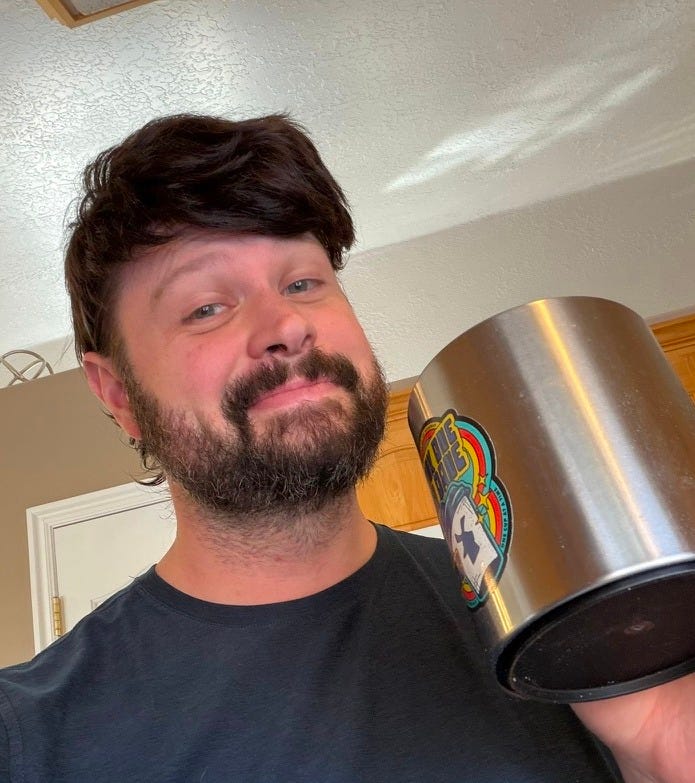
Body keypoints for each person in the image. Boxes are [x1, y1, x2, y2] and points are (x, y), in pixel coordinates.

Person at [0, 114, 691, 782]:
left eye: (302, 283)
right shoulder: (27, 736)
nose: (286, 324)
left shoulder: (564, 635)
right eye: (207, 307)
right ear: (119, 394)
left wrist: (662, 750)